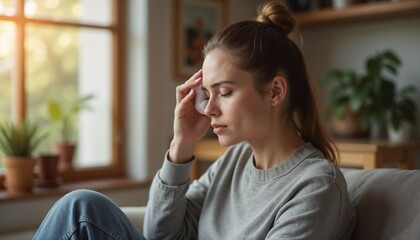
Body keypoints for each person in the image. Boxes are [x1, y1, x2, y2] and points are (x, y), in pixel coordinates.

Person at [33, 2, 356, 239]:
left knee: (80, 215)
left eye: (225, 92)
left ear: (275, 91)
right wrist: (181, 147)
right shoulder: (235, 162)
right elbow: (161, 234)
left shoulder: (315, 187)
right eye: (207, 93)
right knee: (82, 207)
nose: (209, 109)